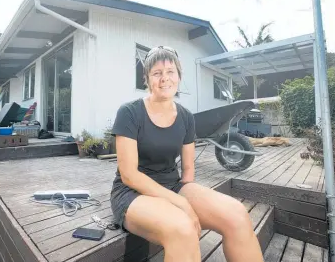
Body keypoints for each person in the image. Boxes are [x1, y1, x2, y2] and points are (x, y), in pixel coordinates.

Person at [109, 46, 264, 262]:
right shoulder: (129, 113)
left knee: (236, 214)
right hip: (132, 193)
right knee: (182, 228)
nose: (165, 79)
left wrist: (185, 196)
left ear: (179, 77)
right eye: (157, 73)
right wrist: (181, 205)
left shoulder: (186, 117)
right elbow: (129, 175)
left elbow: (188, 169)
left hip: (172, 186)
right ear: (147, 79)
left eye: (170, 72)